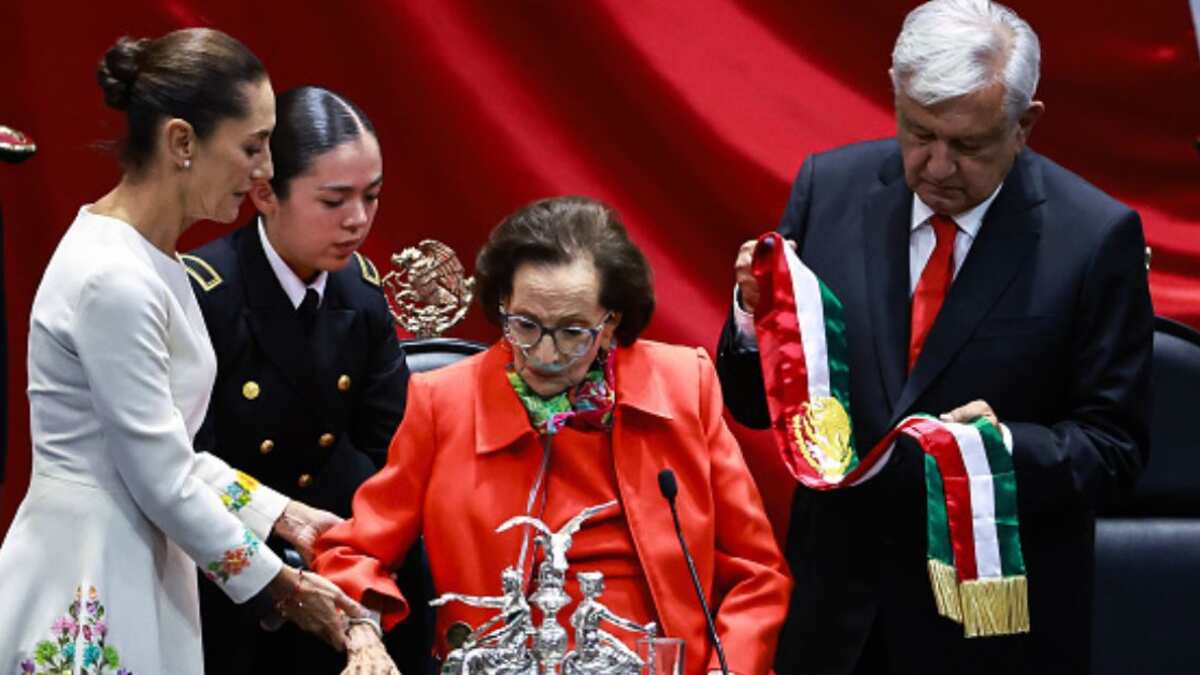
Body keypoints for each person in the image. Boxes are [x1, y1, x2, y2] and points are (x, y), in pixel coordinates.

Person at [715, 1, 1153, 674]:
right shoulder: (827, 189)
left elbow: (1115, 449)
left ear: (1025, 125)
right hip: (834, 624)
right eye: (919, 133)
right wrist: (751, 314)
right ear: (895, 97)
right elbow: (753, 404)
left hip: (991, 633)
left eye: (969, 145)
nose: (939, 167)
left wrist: (1002, 450)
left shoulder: (1095, 238)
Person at [0, 29, 361, 674]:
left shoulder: (153, 260)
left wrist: (287, 515)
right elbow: (162, 478)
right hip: (89, 570)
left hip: (137, 554)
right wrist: (284, 587)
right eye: (252, 147)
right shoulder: (113, 276)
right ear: (181, 142)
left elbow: (171, 456)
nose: (266, 172)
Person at [313, 196, 792, 675]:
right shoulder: (444, 403)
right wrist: (362, 633)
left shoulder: (684, 385)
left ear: (612, 324)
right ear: (502, 304)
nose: (545, 353)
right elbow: (353, 552)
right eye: (525, 325)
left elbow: (757, 575)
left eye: (572, 332)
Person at [182, 85, 425, 675]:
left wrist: (358, 559)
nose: (359, 220)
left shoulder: (359, 293)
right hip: (230, 561)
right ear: (265, 193)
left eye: (371, 197)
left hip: (337, 545)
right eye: (334, 200)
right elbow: (184, 461)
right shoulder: (205, 291)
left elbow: (387, 447)